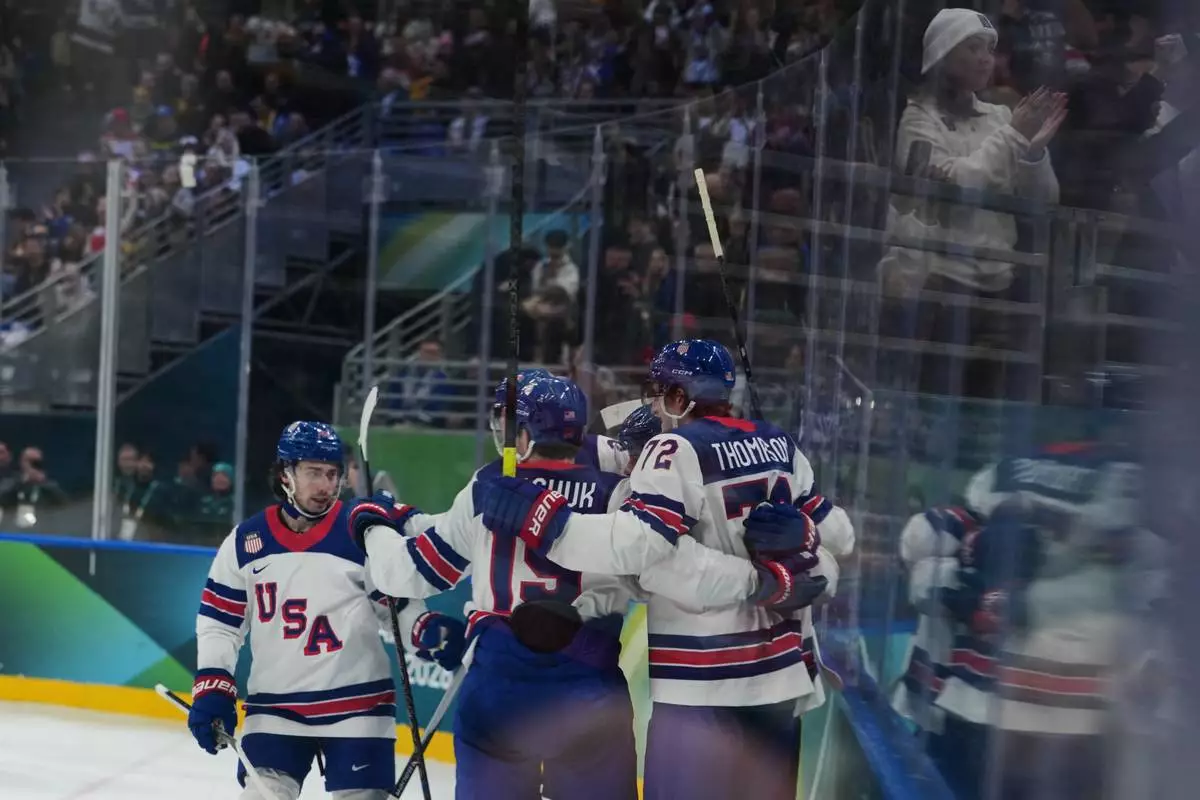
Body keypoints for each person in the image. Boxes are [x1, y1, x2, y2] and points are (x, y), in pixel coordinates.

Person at [350, 373, 823, 800]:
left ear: (526, 433)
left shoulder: (486, 486)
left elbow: (404, 573)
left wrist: (376, 526)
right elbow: (673, 572)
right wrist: (763, 581)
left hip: (501, 691)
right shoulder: (620, 494)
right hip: (591, 696)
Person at [476, 340, 856, 800]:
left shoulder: (673, 448)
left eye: (658, 392)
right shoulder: (779, 442)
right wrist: (806, 540)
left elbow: (642, 549)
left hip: (702, 686)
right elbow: (841, 536)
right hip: (780, 680)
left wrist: (551, 522)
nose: (652, 404)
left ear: (680, 397)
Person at [186, 421, 430, 800]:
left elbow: (396, 608)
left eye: (333, 474)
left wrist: (427, 631)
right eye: (313, 472)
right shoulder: (246, 541)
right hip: (274, 711)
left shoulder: (360, 531)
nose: (326, 486)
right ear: (286, 473)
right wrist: (214, 685)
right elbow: (221, 622)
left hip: (359, 710)